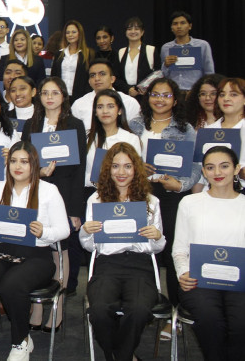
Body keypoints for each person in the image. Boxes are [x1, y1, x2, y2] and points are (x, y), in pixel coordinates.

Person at [0, 141, 70, 361]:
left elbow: (64, 230)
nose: (18, 166)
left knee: (12, 285)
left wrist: (43, 231)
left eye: (24, 162)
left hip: (36, 255)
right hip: (1, 250)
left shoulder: (48, 190)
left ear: (34, 164)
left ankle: (21, 341)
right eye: (14, 161)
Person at [79, 143, 165, 361]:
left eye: (127, 166)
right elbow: (90, 247)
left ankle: (121, 356)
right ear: (108, 170)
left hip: (139, 266)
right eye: (115, 166)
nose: (121, 172)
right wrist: (86, 232)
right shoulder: (96, 199)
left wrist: (157, 236)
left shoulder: (151, 201)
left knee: (138, 310)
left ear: (136, 169)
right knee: (98, 310)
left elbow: (157, 248)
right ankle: (121, 355)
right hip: (107, 265)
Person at [128, 77, 201, 319]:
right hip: (140, 191)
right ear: (147, 97)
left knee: (171, 251)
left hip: (170, 193)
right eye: (155, 94)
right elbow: (123, 157)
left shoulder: (185, 128)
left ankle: (174, 314)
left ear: (175, 99)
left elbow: (195, 165)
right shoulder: (135, 125)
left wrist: (181, 185)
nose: (160, 99)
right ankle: (145, 304)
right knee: (144, 248)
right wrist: (138, 167)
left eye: (166, 95)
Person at [173, 146, 245, 361]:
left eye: (224, 166)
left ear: (236, 169)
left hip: (239, 283)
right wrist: (183, 274)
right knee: (209, 319)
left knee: (241, 322)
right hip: (199, 282)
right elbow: (179, 249)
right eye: (211, 167)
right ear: (204, 172)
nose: (218, 172)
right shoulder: (190, 203)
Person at [21, 77, 86, 315]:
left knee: (61, 251)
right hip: (36, 192)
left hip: (65, 193)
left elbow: (80, 169)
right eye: (45, 93)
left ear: (63, 96)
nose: (49, 98)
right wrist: (39, 170)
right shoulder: (31, 124)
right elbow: (22, 161)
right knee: (37, 251)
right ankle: (36, 311)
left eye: (55, 93)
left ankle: (57, 313)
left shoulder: (75, 125)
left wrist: (76, 210)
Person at [84, 89, 142, 191]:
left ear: (120, 110)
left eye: (110, 106)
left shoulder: (131, 139)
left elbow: (136, 172)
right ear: (95, 112)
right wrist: (94, 181)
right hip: (92, 192)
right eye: (100, 107)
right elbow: (80, 173)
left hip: (123, 194)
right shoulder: (87, 137)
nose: (105, 111)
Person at [70, 59, 142, 131]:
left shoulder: (129, 102)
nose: (97, 78)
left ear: (112, 79)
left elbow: (137, 132)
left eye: (102, 74)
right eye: (92, 75)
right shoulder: (79, 104)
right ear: (89, 81)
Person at [160, 11, 215, 92]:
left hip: (195, 92)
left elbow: (209, 72)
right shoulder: (166, 48)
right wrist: (166, 65)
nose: (179, 26)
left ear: (190, 26)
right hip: (174, 92)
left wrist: (205, 90)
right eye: (175, 24)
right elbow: (164, 76)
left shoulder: (202, 45)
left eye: (183, 23)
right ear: (171, 28)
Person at [205, 77, 245, 174]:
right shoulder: (207, 131)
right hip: (211, 187)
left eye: (233, 94)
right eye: (222, 95)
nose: (226, 99)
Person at [51, 20, 94, 103]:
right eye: (67, 32)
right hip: (60, 97)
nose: (70, 35)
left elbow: (89, 77)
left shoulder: (88, 54)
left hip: (81, 97)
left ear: (79, 34)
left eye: (73, 32)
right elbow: (54, 76)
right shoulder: (59, 54)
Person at [117, 17, 159, 98]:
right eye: (129, 29)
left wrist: (140, 89)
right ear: (125, 32)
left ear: (142, 32)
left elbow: (158, 74)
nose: (133, 31)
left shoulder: (151, 50)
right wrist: (128, 89)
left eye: (136, 29)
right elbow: (117, 78)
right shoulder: (121, 52)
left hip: (146, 97)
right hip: (126, 96)